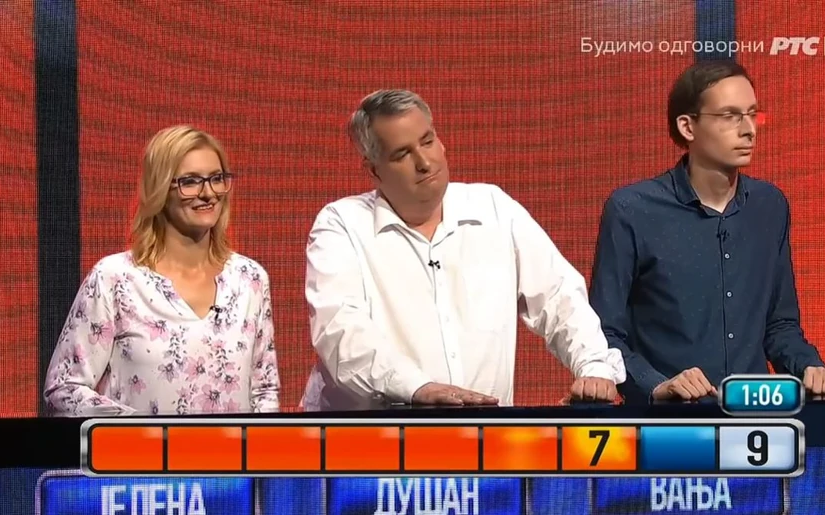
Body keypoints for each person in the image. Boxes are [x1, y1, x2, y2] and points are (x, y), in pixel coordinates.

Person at [301, 89, 625, 410]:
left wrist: (594, 365)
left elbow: (558, 297)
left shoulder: (493, 207)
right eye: (402, 155)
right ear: (374, 170)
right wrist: (417, 388)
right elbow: (341, 332)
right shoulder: (341, 225)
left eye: (428, 141)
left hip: (484, 433)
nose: (424, 162)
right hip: (369, 435)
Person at [589, 60, 825, 404]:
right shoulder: (632, 209)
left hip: (754, 415)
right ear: (687, 127)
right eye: (730, 116)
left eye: (752, 114)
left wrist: (809, 367)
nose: (749, 130)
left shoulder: (769, 206)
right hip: (668, 422)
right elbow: (604, 334)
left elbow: (779, 325)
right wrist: (656, 386)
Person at [44, 125, 280, 416]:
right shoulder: (115, 279)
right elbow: (64, 388)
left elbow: (264, 391)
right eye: (190, 182)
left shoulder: (250, 279)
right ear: (160, 188)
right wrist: (148, 430)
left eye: (217, 179)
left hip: (231, 448)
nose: (208, 193)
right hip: (141, 447)